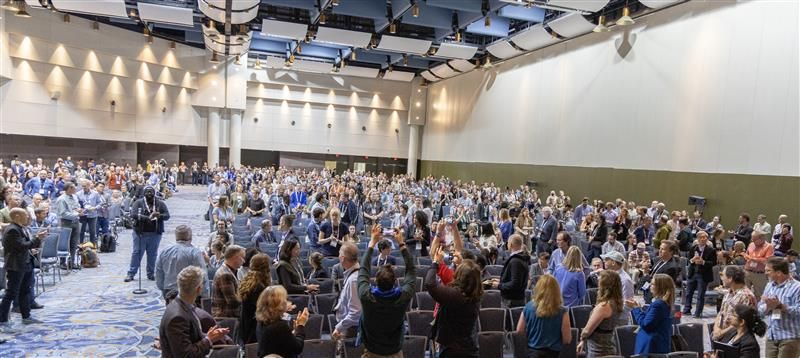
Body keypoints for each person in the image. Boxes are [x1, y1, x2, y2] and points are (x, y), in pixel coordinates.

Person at [357, 225, 416, 357]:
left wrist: (372, 242)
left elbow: (363, 270)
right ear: (395, 282)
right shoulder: (402, 297)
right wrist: (401, 243)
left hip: (371, 352)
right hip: (394, 352)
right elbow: (411, 271)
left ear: (375, 281)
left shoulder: (366, 296)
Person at [159, 266, 229, 358]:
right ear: (199, 289)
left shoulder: (179, 305)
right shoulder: (178, 317)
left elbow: (190, 336)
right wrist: (209, 339)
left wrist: (209, 336)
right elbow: (186, 355)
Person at [0, 208, 49, 330]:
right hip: (16, 266)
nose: (28, 217)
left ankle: (26, 316)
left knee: (25, 291)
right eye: (26, 215)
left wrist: (37, 241)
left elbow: (25, 246)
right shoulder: (12, 230)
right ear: (17, 216)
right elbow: (21, 246)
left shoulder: (21, 228)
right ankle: (3, 321)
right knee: (11, 293)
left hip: (26, 263)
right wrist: (37, 238)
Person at [425, 257, 482, 357]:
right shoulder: (475, 295)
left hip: (453, 350)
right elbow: (470, 273)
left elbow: (430, 284)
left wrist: (435, 263)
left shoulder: (455, 296)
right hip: (468, 347)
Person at [516, 274, 572, 358]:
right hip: (554, 353)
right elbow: (567, 339)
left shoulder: (528, 307)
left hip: (532, 352)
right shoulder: (562, 311)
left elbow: (519, 331)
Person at [125, 186, 170, 282]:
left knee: (152, 254)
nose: (149, 194)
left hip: (155, 233)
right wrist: (147, 218)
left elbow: (167, 215)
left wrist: (159, 215)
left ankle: (151, 273)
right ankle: (131, 273)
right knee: (137, 253)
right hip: (140, 233)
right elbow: (133, 214)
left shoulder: (160, 203)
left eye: (151, 192)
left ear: (154, 193)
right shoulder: (138, 202)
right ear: (144, 193)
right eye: (147, 192)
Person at [758, 257, 800, 358]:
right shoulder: (769, 286)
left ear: (779, 273)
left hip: (790, 337)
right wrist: (768, 307)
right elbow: (760, 308)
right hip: (771, 336)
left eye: (768, 270)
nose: (765, 273)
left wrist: (781, 306)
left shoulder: (797, 288)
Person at [578, 270, 626, 358]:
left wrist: (582, 338)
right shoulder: (617, 303)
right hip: (610, 345)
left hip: (597, 349)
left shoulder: (604, 306)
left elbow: (587, 330)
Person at [155, 225, 208, 299]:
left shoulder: (164, 251)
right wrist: (205, 295)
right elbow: (202, 275)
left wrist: (163, 288)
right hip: (189, 293)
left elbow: (158, 273)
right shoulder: (194, 253)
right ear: (190, 237)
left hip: (169, 291)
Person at [626, 274, 675, 355]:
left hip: (651, 346)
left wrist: (636, 308)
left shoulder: (658, 304)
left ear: (660, 287)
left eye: (652, 284)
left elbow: (646, 324)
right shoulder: (663, 303)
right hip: (656, 343)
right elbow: (651, 320)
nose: (650, 286)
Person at [255, 285, 309, 358]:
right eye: (285, 300)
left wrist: (294, 331)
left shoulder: (261, 321)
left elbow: (281, 340)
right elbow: (298, 348)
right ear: (279, 304)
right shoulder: (279, 326)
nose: (287, 302)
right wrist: (300, 326)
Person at [712, 266, 757, 341]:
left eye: (723, 275)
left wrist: (722, 333)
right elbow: (721, 313)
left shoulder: (746, 296)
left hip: (736, 339)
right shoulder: (728, 293)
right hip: (721, 337)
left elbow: (743, 323)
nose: (721, 278)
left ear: (730, 278)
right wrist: (716, 329)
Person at [238, 253, 272, 344]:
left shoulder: (249, 280)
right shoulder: (258, 286)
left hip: (246, 323)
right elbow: (262, 309)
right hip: (255, 327)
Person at [682, 230, 716, 318]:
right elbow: (689, 260)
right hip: (693, 273)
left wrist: (703, 262)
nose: (704, 239)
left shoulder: (711, 250)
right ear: (698, 239)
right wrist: (693, 260)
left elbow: (714, 263)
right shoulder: (693, 248)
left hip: (703, 274)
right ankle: (686, 310)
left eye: (705, 237)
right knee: (689, 293)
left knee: (700, 295)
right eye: (702, 237)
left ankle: (697, 312)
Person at [332, 242, 361, 341]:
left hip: (350, 329)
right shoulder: (354, 275)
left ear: (342, 258)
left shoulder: (354, 280)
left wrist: (339, 327)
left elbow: (356, 312)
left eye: (339, 254)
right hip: (348, 327)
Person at [494, 234, 530, 308]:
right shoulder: (522, 258)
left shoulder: (515, 261)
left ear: (510, 244)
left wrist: (499, 285)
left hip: (512, 301)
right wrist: (501, 281)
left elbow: (515, 284)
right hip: (517, 298)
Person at [211, 245, 245, 318]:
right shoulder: (225, 274)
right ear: (235, 257)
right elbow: (233, 301)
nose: (244, 261)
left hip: (230, 315)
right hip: (226, 317)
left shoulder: (231, 271)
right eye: (242, 257)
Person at [55, 182, 82, 269]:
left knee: (74, 243)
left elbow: (76, 206)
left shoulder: (74, 196)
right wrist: (76, 214)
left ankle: (72, 262)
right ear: (69, 189)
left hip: (75, 221)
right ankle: (63, 262)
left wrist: (79, 210)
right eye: (74, 188)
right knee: (65, 242)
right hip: (66, 222)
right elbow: (63, 213)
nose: (75, 189)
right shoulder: (61, 199)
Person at [743, 230, 773, 300]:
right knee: (744, 294)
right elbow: (747, 255)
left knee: (760, 295)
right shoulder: (751, 244)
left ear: (762, 238)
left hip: (759, 274)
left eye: (754, 240)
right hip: (747, 271)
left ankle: (758, 310)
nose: (753, 241)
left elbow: (767, 260)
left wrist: (753, 259)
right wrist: (746, 256)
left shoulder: (769, 246)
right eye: (752, 239)